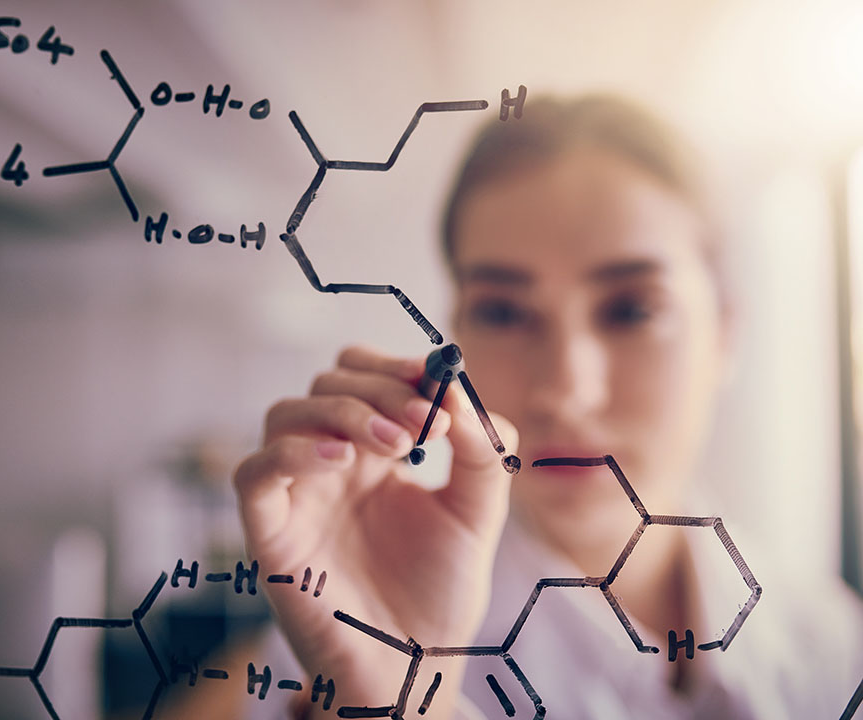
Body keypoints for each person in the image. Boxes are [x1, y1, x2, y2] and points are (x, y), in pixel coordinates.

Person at [233, 95, 863, 719]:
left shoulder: (834, 646)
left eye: (632, 310)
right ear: (454, 332)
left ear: (725, 334)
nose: (565, 391)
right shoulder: (342, 639)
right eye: (503, 313)